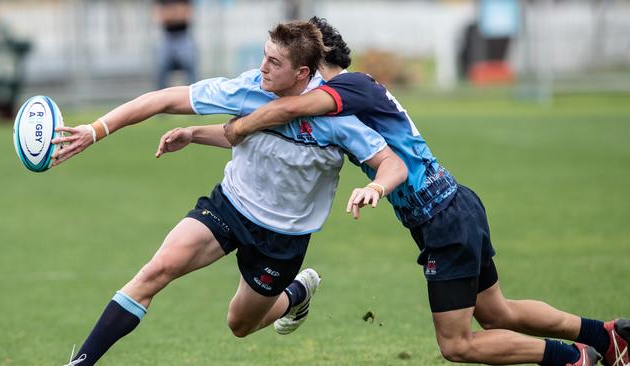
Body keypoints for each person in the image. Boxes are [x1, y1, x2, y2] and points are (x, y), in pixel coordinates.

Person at [222, 16, 630, 366]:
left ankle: (572, 359)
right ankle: (607, 335)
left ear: (317, 58)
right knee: (496, 311)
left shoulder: (349, 88)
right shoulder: (354, 92)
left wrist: (240, 126)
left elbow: (289, 109)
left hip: (444, 220)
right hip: (454, 205)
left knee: (456, 344)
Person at [51, 21, 407, 366]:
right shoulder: (250, 87)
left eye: (274, 62)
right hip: (230, 207)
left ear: (301, 73)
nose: (262, 67)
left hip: (282, 238)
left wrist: (374, 186)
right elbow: (163, 99)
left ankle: (297, 293)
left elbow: (392, 163)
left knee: (240, 324)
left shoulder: (335, 113)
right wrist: (95, 130)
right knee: (155, 271)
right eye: (264, 56)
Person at [154, 0, 197, 89]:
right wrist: (176, 12)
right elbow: (161, 18)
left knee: (191, 69)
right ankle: (161, 98)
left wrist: (170, 13)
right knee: (161, 70)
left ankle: (192, 96)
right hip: (167, 37)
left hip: (183, 37)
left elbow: (186, 16)